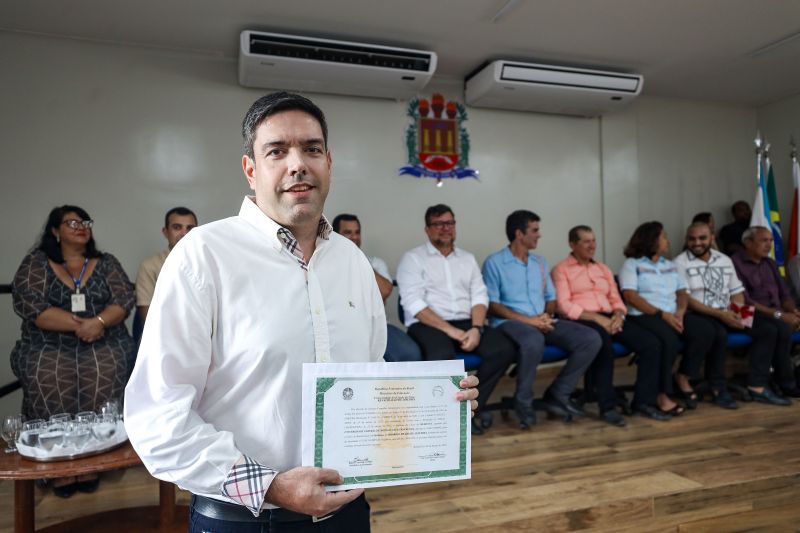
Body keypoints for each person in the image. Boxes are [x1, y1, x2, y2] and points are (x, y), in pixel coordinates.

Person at [124, 92, 478, 533]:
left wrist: (438, 408)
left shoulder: (351, 260)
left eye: (311, 149)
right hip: (247, 519)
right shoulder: (202, 256)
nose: (298, 164)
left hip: (347, 511)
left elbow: (367, 379)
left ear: (328, 162)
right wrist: (270, 486)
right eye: (277, 151)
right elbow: (157, 418)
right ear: (250, 169)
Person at [11, 205, 135, 497]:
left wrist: (99, 323)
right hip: (49, 343)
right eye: (72, 222)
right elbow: (31, 306)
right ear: (55, 231)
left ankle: (96, 461)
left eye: (85, 222)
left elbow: (124, 298)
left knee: (107, 365)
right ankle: (56, 468)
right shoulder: (36, 263)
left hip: (104, 339)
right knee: (49, 371)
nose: (81, 227)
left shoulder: (106, 263)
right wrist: (81, 325)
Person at [396, 204, 514, 435]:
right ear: (427, 229)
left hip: (468, 323)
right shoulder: (413, 259)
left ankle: (470, 410)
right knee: (441, 358)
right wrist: (453, 332)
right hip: (429, 325)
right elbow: (414, 304)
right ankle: (445, 420)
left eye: (449, 223)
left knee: (503, 349)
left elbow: (479, 295)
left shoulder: (467, 259)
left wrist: (477, 328)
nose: (445, 228)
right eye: (438, 224)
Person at [482, 211, 600, 428]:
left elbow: (551, 298)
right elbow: (493, 305)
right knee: (533, 339)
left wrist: (545, 316)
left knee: (590, 338)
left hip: (542, 321)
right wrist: (530, 321)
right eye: (535, 230)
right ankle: (523, 401)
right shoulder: (494, 263)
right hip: (509, 323)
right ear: (519, 233)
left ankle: (559, 393)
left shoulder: (540, 262)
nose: (539, 235)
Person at [552, 225, 668, 426]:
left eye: (594, 241)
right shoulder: (561, 269)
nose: (592, 246)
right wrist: (598, 319)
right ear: (572, 244)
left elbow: (616, 299)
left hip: (610, 317)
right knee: (603, 344)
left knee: (651, 344)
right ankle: (607, 407)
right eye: (586, 241)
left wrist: (619, 316)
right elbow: (563, 306)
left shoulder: (602, 268)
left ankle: (643, 402)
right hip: (582, 319)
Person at [619, 221, 691, 418]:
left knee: (704, 331)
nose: (667, 240)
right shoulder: (632, 264)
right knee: (666, 340)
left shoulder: (669, 265)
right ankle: (662, 395)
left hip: (672, 314)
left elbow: (682, 291)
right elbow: (631, 297)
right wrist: (663, 314)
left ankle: (684, 382)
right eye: (664, 237)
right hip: (645, 315)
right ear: (651, 240)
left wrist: (681, 311)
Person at [673, 222, 746, 409]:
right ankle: (716, 387)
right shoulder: (680, 262)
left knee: (771, 328)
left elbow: (736, 291)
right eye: (692, 238)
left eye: (702, 238)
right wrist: (722, 315)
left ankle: (760, 383)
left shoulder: (724, 259)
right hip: (696, 313)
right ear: (686, 240)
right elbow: (686, 299)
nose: (697, 242)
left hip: (726, 312)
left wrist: (739, 314)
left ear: (712, 238)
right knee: (717, 333)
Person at [332, 213, 422, 362]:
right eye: (347, 232)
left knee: (410, 354)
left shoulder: (375, 263)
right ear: (335, 236)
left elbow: (384, 292)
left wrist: (357, 259)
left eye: (357, 232)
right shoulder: (326, 264)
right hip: (341, 329)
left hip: (376, 327)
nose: (354, 237)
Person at [732, 226, 800, 402]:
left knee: (783, 327)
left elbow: (784, 294)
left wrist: (792, 310)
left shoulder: (769, 263)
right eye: (764, 240)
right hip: (746, 312)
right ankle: (764, 383)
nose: (769, 245)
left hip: (775, 314)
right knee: (774, 329)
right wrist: (780, 315)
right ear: (748, 243)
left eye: (770, 240)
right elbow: (745, 301)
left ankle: (783, 381)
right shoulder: (735, 263)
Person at [135, 207, 197, 322]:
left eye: (190, 228)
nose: (184, 233)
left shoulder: (208, 264)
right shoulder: (150, 266)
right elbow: (147, 315)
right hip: (163, 332)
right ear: (165, 232)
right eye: (177, 227)